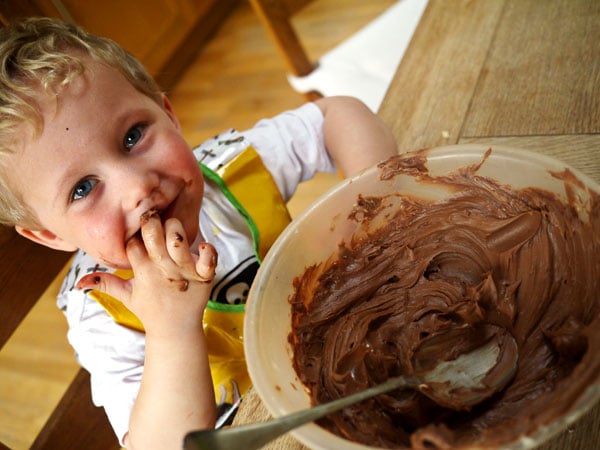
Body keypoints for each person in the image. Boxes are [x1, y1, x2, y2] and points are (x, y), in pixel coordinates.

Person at [0, 17, 397, 449]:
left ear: (169, 116)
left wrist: (375, 212)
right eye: (83, 188)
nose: (137, 187)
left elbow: (337, 114)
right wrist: (170, 329)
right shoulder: (100, 316)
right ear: (49, 235)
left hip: (363, 366)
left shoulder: (229, 169)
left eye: (133, 135)